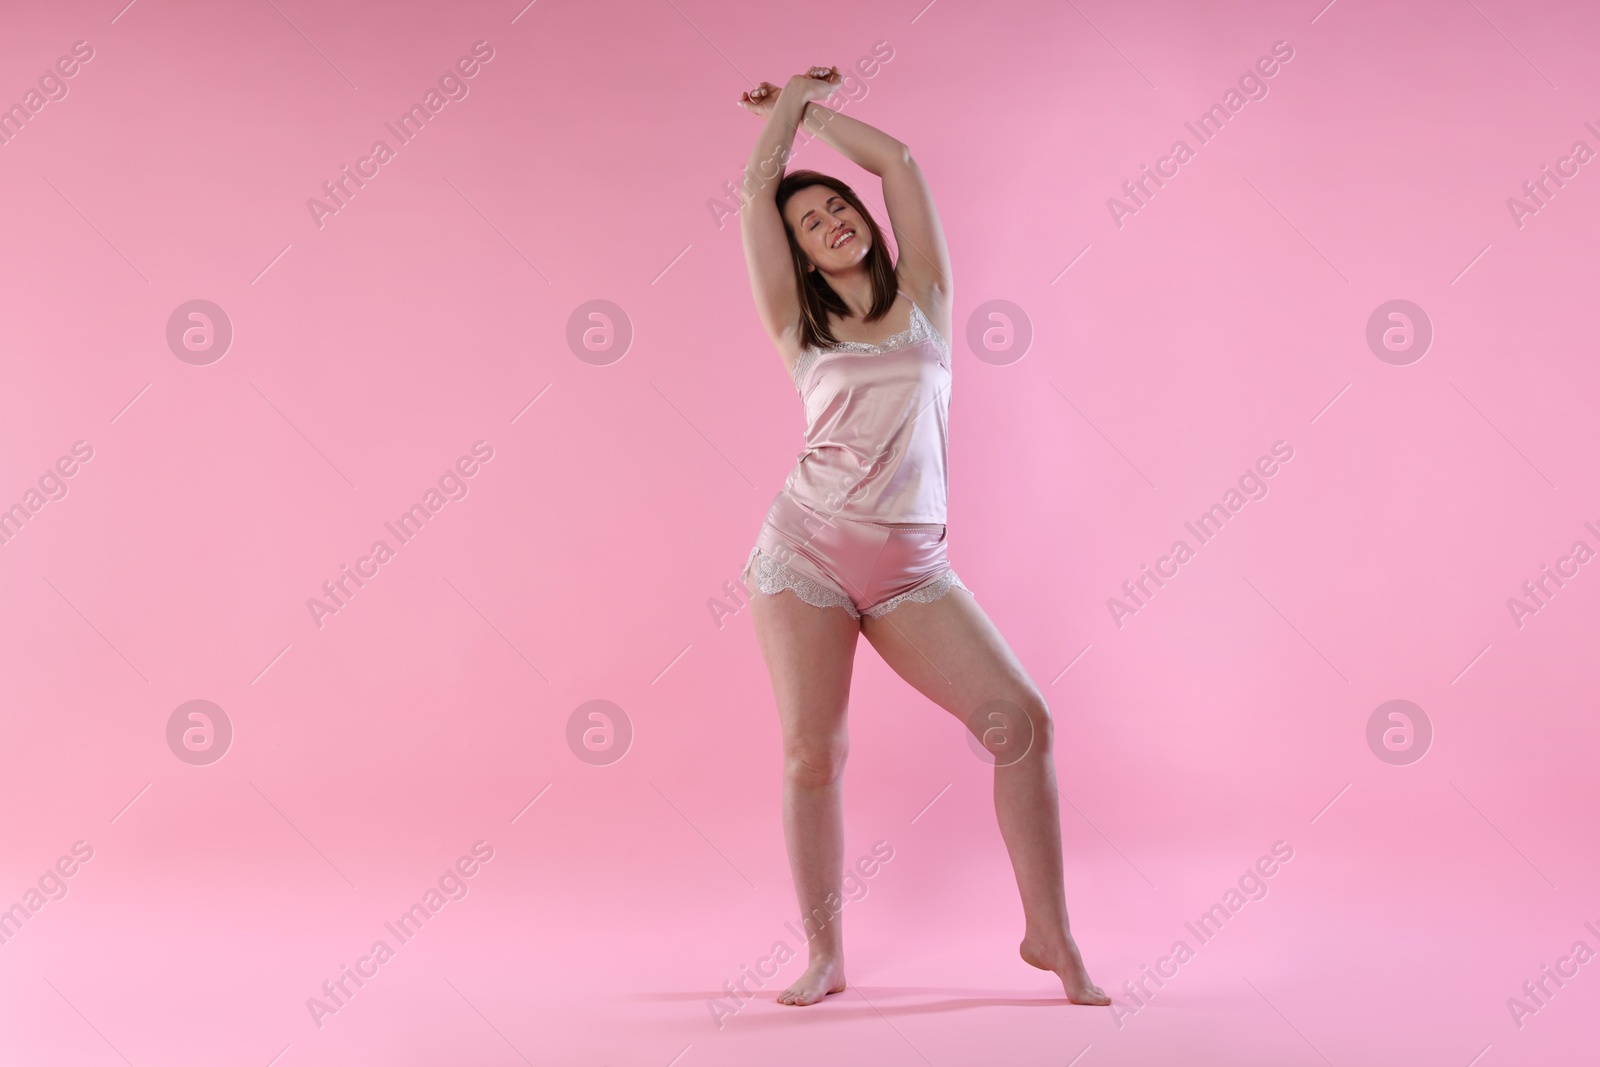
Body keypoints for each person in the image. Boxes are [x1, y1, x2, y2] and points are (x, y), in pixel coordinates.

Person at [733, 67, 1110, 1009]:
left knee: (1021, 724)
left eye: (836, 206)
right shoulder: (796, 326)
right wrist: (776, 127)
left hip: (913, 571)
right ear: (802, 260)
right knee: (812, 752)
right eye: (809, 223)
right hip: (806, 553)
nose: (828, 222)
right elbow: (754, 194)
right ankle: (825, 954)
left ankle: (1047, 932)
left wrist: (810, 111)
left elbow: (898, 161)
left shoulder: (929, 298)